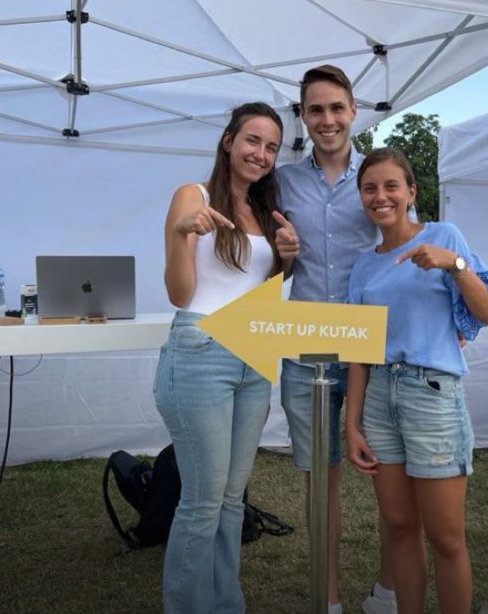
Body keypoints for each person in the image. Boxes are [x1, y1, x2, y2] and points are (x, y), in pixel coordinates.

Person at [344, 148, 488, 614]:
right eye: (370, 188)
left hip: (431, 395)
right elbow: (359, 351)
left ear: (411, 192)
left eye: (391, 186)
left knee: (445, 537)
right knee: (400, 528)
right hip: (379, 398)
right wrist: (352, 425)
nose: (381, 196)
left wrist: (455, 265)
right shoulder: (363, 266)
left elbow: (487, 313)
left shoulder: (444, 237)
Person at [154, 101, 290, 614]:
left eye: (272, 147)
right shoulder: (194, 195)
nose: (261, 154)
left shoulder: (265, 209)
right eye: (253, 140)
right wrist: (180, 233)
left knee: (232, 500)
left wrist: (287, 260)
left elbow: (256, 289)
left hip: (254, 354)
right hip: (202, 351)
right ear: (228, 141)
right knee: (203, 501)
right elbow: (179, 293)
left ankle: (226, 603)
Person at [274, 64, 397, 614]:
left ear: (354, 111)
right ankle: (326, 601)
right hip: (308, 353)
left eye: (337, 108)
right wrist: (280, 259)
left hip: (374, 348)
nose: (327, 119)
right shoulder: (282, 182)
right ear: (303, 116)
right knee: (322, 484)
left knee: (388, 475)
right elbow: (267, 270)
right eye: (316, 109)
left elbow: (403, 250)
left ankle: (388, 591)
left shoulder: (379, 177)